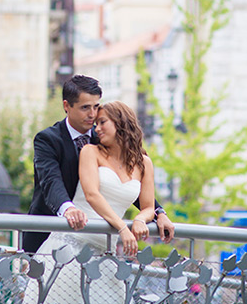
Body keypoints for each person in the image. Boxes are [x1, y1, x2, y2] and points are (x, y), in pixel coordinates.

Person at [15, 100, 160, 304]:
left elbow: (148, 206)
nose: (97, 128)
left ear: (121, 124)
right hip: (70, 249)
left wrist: (142, 219)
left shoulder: (144, 163)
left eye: (102, 122)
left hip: (107, 257)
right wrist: (123, 228)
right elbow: (92, 195)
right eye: (96, 124)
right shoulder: (90, 152)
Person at [21, 75, 174, 254]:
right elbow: (50, 181)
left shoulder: (104, 137)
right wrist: (68, 208)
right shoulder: (48, 139)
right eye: (85, 107)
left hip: (99, 239)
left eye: (96, 106)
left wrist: (159, 213)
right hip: (48, 231)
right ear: (66, 106)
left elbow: (125, 179)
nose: (92, 115)